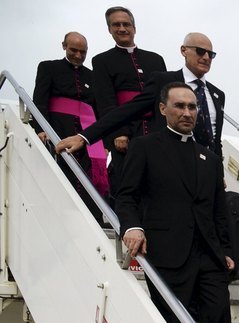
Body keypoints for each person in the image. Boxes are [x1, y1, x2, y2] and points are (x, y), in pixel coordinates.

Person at [113, 82, 235, 323]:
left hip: (207, 253)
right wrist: (133, 226)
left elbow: (219, 210)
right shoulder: (144, 147)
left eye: (192, 107)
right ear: (163, 109)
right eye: (180, 106)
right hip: (167, 251)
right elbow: (126, 196)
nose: (187, 113)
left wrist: (226, 250)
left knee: (220, 313)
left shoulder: (209, 158)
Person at [56, 32, 227, 159]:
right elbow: (128, 110)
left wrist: (218, 169)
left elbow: (215, 139)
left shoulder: (217, 95)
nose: (206, 57)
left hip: (207, 168)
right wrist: (85, 137)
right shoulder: (164, 81)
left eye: (210, 54)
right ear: (184, 51)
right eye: (200, 51)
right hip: (172, 163)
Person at [89, 7, 166, 194]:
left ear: (134, 28)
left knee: (161, 177)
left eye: (126, 24)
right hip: (126, 129)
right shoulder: (101, 61)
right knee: (129, 180)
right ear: (109, 29)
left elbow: (165, 94)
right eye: (116, 25)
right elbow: (105, 100)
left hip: (156, 125)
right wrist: (118, 133)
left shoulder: (155, 59)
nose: (122, 28)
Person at [32, 32, 108, 198]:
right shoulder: (48, 67)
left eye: (83, 52)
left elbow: (99, 110)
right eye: (74, 50)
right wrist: (40, 128)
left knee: (88, 174)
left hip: (87, 132)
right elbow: (40, 100)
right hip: (58, 126)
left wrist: (105, 142)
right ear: (64, 46)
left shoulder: (93, 76)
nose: (78, 55)